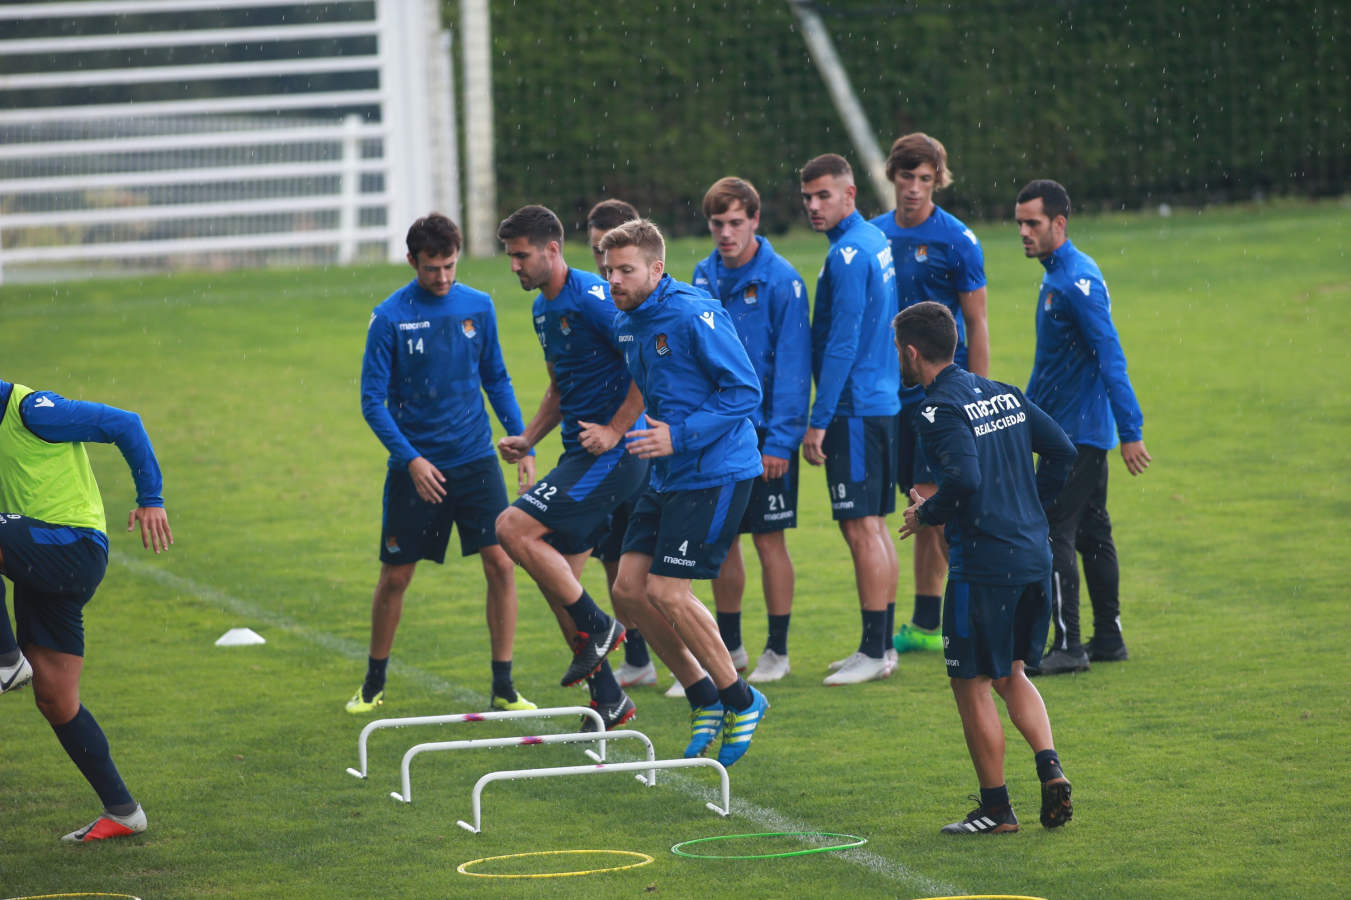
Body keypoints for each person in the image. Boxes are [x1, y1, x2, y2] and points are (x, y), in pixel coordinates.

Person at [893, 301, 1077, 835]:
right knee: (1010, 672)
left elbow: (966, 480)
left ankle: (996, 808)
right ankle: (1050, 768)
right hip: (1033, 556)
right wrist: (1031, 507)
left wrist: (925, 513)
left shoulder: (935, 410)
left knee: (970, 681)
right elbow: (1062, 450)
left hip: (985, 566)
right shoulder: (1004, 392)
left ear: (911, 352)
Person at [600, 219, 770, 766]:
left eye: (625, 270)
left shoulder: (694, 312)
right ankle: (702, 694)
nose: (613, 280)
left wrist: (678, 435)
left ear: (656, 268)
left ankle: (741, 699)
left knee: (670, 591)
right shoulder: (627, 322)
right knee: (628, 591)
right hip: (668, 471)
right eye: (607, 270)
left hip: (716, 470)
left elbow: (745, 389)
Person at [349, 213, 534, 714]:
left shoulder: (479, 305)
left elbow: (496, 376)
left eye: (450, 266)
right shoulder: (389, 317)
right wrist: (410, 460)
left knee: (501, 563)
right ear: (413, 261)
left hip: (476, 462)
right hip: (418, 471)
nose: (443, 278)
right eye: (432, 268)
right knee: (396, 577)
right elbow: (371, 402)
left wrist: (523, 440)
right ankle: (373, 682)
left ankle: (504, 686)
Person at [492, 204, 649, 729]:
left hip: (615, 454)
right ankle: (608, 698)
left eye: (521, 256)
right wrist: (528, 439)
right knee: (557, 579)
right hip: (578, 453)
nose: (514, 265)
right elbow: (561, 384)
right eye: (510, 256)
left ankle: (606, 628)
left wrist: (615, 430)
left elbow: (644, 365)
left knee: (512, 527)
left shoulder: (594, 300)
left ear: (552, 250)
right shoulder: (542, 310)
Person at [0, 379, 173, 841]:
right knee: (55, 697)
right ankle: (123, 811)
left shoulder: (33, 410)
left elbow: (125, 423)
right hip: (35, 557)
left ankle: (5, 662)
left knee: (32, 679)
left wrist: (150, 498)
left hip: (72, 547)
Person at [1015, 179, 1152, 675]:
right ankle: (1109, 638)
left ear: (1059, 223)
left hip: (1075, 437)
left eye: (1032, 223)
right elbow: (1052, 365)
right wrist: (1023, 415)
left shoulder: (1074, 282)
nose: (1024, 233)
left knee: (1052, 532)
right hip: (1073, 431)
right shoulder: (1059, 276)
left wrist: (1130, 429)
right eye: (1020, 224)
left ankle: (1069, 646)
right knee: (1093, 532)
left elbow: (1110, 354)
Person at [870, 133, 989, 658]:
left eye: (925, 179)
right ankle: (923, 621)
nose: (914, 189)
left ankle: (978, 612)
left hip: (938, 395)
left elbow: (977, 323)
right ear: (892, 177)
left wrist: (974, 396)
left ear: (937, 181)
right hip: (885, 393)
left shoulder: (958, 239)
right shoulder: (873, 237)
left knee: (931, 501)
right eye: (906, 177)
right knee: (918, 504)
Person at [692, 177, 810, 684]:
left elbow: (793, 365)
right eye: (717, 224)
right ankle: (730, 647)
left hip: (766, 438)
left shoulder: (782, 280)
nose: (725, 233)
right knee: (723, 541)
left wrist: (782, 440)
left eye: (735, 223)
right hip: (719, 432)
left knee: (769, 540)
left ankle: (777, 652)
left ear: (755, 221)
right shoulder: (701, 275)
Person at [799, 153, 901, 685]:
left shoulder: (846, 255)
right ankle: (881, 648)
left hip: (855, 408)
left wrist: (819, 420)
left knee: (861, 527)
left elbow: (841, 342)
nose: (814, 207)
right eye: (808, 198)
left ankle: (872, 649)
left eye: (823, 196)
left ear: (850, 195)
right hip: (879, 401)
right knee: (874, 526)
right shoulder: (873, 241)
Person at [583, 198, 658, 689]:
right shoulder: (598, 299)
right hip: (604, 452)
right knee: (614, 558)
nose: (606, 272)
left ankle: (690, 662)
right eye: (597, 258)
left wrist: (619, 428)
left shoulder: (643, 308)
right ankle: (637, 656)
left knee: (659, 565)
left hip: (644, 449)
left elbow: (647, 376)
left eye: (616, 263)